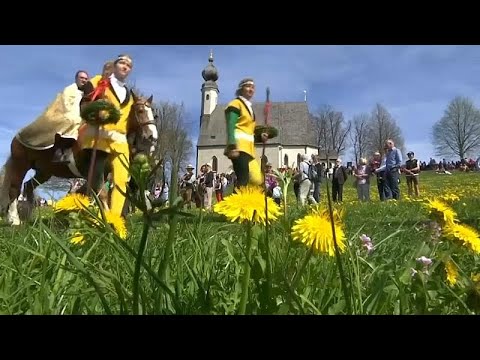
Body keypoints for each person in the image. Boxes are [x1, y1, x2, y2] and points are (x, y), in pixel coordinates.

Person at [76, 54, 135, 217]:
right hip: (100, 137)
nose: (125, 67)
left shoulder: (129, 94)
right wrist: (94, 110)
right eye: (122, 63)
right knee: (97, 180)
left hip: (121, 141)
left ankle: (114, 219)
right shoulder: (100, 81)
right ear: (115, 66)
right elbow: (86, 100)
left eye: (129, 65)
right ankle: (88, 215)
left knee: (121, 180)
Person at [16, 70, 89, 156]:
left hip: (80, 115)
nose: (84, 80)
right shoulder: (70, 90)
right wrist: (74, 114)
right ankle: (59, 151)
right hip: (65, 112)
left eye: (86, 78)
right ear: (76, 79)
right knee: (72, 120)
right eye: (81, 78)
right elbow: (65, 103)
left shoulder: (85, 93)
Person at [223, 78, 268, 188]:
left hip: (249, 150)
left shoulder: (249, 107)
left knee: (258, 179)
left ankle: (249, 202)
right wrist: (232, 145)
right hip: (239, 147)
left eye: (253, 87)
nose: (251, 89)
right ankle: (235, 204)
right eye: (248, 86)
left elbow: (248, 131)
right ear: (241, 89)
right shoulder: (235, 104)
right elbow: (231, 125)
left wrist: (259, 137)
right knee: (243, 179)